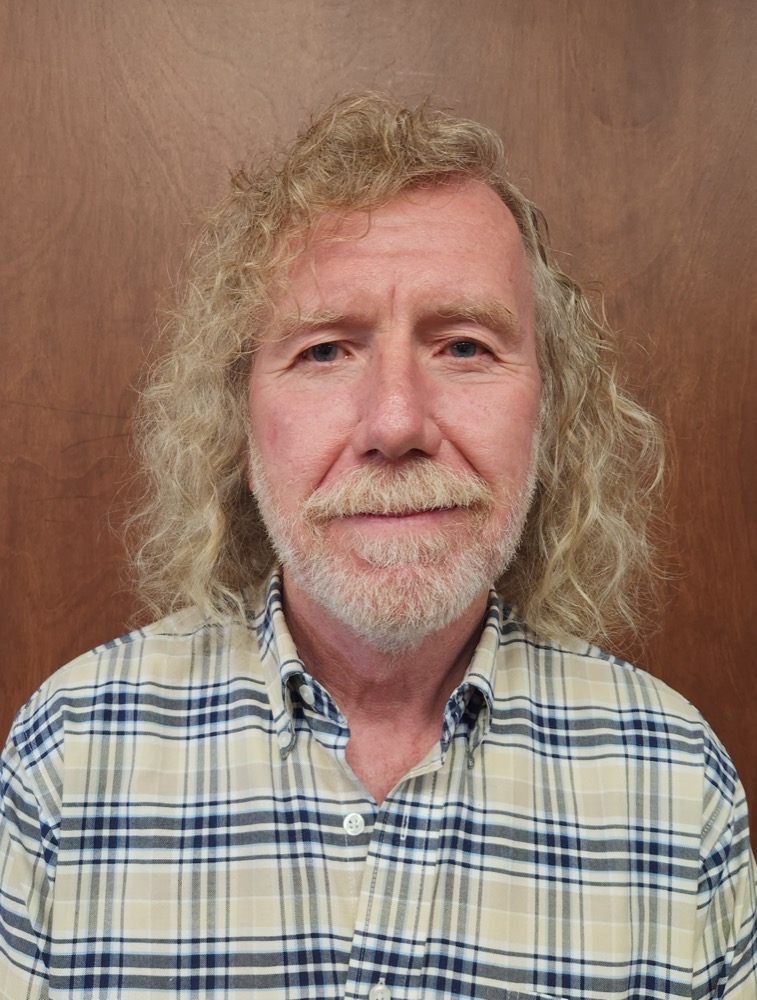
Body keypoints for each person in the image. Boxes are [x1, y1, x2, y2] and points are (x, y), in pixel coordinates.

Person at [0, 93, 754, 999]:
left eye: (464, 346)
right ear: (238, 420)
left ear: (548, 416)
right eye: (324, 352)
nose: (395, 424)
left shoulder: (676, 784)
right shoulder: (69, 755)